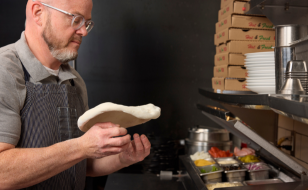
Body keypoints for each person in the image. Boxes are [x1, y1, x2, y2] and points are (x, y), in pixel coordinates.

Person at [0, 0, 151, 189]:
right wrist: (80, 147)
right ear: (38, 13)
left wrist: (122, 159)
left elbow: (80, 163)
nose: (84, 31)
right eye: (76, 19)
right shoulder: (5, 71)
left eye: (86, 22)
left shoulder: (74, 81)